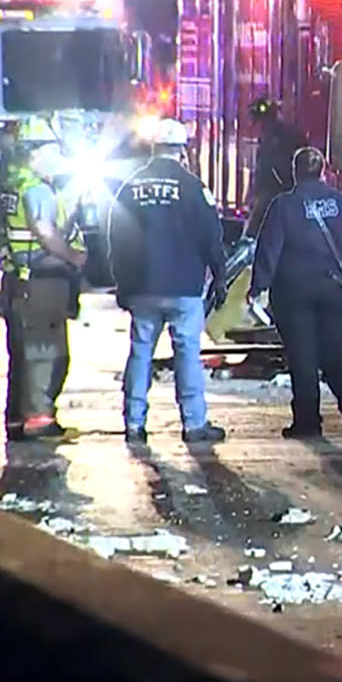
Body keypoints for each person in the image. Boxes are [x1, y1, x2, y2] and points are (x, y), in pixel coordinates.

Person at [109, 118, 227, 445]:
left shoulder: (131, 186)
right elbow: (211, 236)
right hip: (184, 288)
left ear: (152, 147)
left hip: (143, 287)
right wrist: (220, 277)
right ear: (182, 149)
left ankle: (134, 424)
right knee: (187, 353)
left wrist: (123, 284)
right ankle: (194, 424)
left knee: (140, 353)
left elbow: (117, 238)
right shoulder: (192, 187)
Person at [249, 147, 342, 438]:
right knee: (337, 353)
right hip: (334, 290)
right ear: (323, 170)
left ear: (295, 171)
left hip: (294, 294)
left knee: (302, 358)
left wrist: (258, 287)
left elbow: (269, 250)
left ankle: (308, 422)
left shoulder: (284, 206)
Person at [0, 117, 86, 441]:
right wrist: (73, 256)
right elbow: (44, 230)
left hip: (18, 281)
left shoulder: (15, 184)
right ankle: (39, 419)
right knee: (46, 352)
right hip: (40, 281)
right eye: (52, 148)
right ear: (34, 152)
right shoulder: (35, 189)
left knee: (22, 354)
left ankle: (18, 419)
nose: (56, 155)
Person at [246, 97, 307, 235]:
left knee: (253, 233)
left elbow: (266, 169)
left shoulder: (274, 138)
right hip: (291, 194)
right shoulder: (290, 133)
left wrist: (255, 194)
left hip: (276, 194)